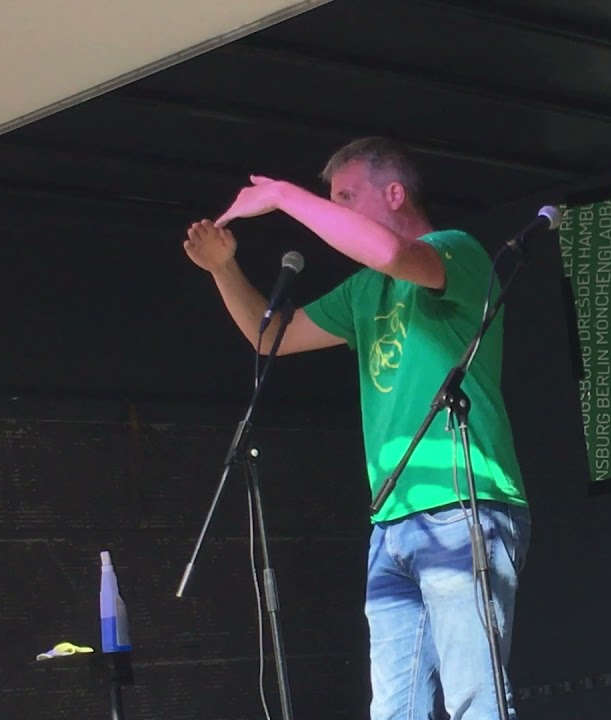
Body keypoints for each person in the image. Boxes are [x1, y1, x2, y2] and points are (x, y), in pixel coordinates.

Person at [183, 137, 531, 719]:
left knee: (475, 699)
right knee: (394, 709)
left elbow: (392, 253)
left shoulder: (456, 250)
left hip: (461, 503)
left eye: (346, 196)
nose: (335, 207)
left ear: (395, 194)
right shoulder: (364, 290)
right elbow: (273, 339)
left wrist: (283, 196)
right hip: (391, 520)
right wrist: (223, 268)